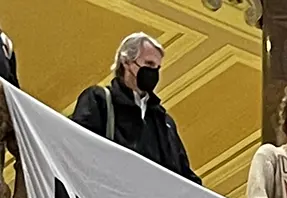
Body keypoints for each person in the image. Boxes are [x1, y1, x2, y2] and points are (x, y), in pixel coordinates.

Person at [70, 32, 200, 184]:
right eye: (149, 64)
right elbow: (77, 147)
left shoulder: (164, 122)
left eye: (157, 68)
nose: (154, 72)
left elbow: (185, 176)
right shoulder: (100, 100)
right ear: (126, 62)